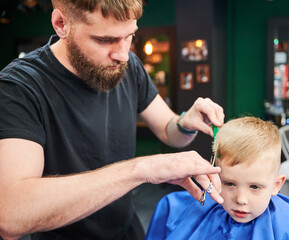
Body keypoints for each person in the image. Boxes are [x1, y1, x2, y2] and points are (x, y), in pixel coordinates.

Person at [0, 1, 225, 239]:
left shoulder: (130, 67)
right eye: (105, 40)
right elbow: (11, 213)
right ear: (61, 24)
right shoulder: (19, 87)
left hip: (126, 230)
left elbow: (170, 131)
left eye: (130, 36)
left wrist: (185, 122)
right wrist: (141, 169)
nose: (123, 55)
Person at [146, 117, 289, 240]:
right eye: (229, 183)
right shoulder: (174, 210)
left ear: (276, 185)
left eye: (254, 187)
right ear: (214, 176)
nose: (240, 199)